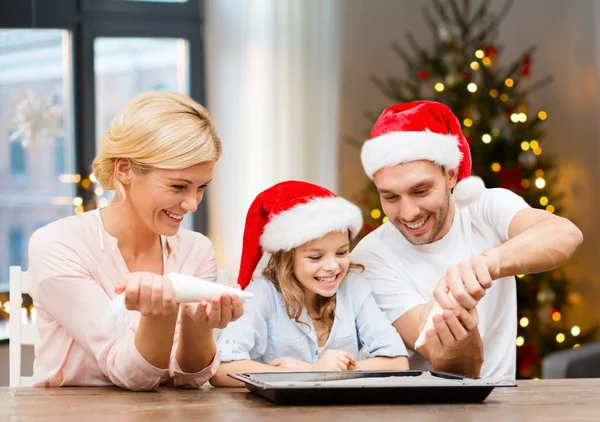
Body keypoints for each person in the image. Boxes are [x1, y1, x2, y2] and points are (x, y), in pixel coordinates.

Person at [27, 92, 243, 390]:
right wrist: (161, 313)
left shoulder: (197, 249)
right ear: (124, 169)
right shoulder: (58, 244)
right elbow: (130, 374)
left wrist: (199, 326)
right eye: (178, 186)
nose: (192, 204)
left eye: (200, 188)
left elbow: (190, 378)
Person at [351, 100, 583, 379]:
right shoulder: (370, 258)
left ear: (450, 175)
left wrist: (488, 263)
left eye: (421, 190)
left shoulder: (485, 207)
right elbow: (450, 366)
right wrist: (461, 330)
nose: (408, 212)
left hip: (504, 406)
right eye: (390, 197)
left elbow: (565, 234)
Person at [210, 181, 409, 387]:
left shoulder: (354, 287)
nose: (333, 266)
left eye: (341, 252)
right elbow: (223, 370)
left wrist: (324, 372)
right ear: (286, 258)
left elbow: (398, 362)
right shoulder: (262, 293)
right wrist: (314, 371)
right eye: (315, 257)